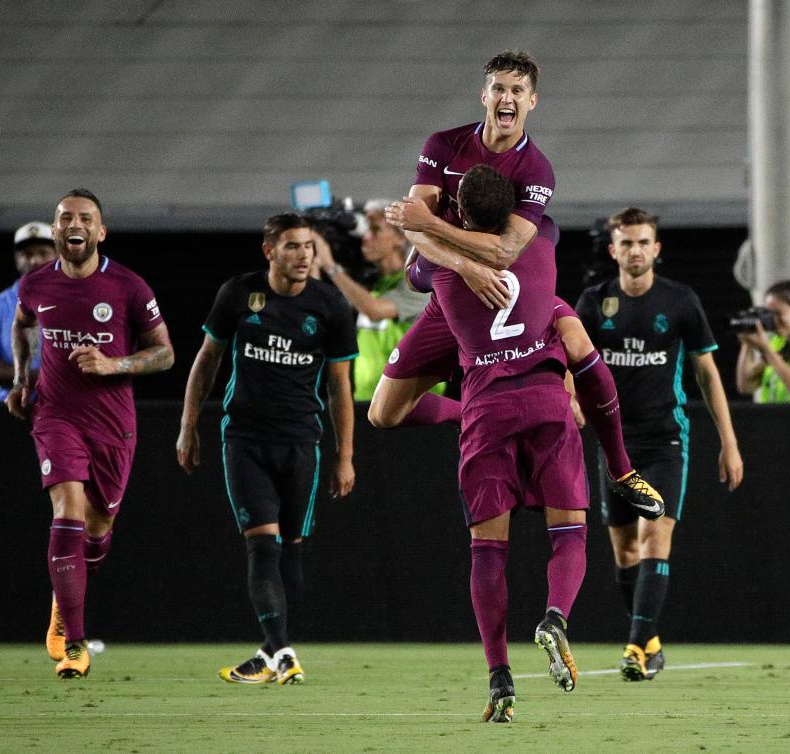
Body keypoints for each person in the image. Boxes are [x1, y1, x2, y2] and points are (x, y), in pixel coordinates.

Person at [377, 49, 661, 511]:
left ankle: (622, 469)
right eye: (500, 89)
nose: (507, 98)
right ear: (484, 95)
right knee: (384, 413)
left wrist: (431, 231)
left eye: (517, 91)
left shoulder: (535, 169)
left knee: (579, 344)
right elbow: (414, 226)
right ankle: (473, 415)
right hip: (457, 294)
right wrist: (465, 266)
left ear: (532, 102)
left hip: (512, 292)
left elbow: (504, 250)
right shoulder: (444, 145)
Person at [406, 164, 590, 720]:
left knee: (488, 551)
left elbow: (416, 268)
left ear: (459, 210)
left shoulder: (435, 272)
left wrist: (428, 227)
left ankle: (499, 675)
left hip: (486, 408)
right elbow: (535, 230)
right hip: (544, 401)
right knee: (570, 534)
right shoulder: (544, 239)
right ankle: (555, 617)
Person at [177, 213, 357, 687]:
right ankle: (284, 652)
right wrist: (188, 426)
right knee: (262, 547)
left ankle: (270, 652)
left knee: (291, 551)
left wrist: (345, 457)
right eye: (293, 247)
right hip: (245, 440)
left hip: (302, 444)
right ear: (270, 251)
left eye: (309, 248)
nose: (303, 256)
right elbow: (207, 359)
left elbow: (341, 386)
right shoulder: (239, 293)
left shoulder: (331, 305)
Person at [6, 189, 174, 679]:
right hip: (55, 414)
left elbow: (164, 352)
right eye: (64, 218)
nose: (73, 224)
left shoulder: (128, 286)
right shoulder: (36, 284)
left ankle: (65, 603)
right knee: (67, 509)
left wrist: (114, 363)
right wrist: (22, 378)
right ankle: (75, 643)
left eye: (85, 218)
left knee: (97, 532)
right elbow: (21, 326)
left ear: (100, 232)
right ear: (56, 230)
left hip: (113, 424)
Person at [575, 207, 744, 682]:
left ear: (657, 249)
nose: (635, 250)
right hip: (614, 445)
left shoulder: (681, 301)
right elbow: (569, 363)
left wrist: (729, 443)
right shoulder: (593, 302)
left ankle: (634, 646)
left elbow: (707, 374)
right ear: (613, 250)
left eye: (643, 242)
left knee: (655, 536)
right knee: (625, 552)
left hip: (665, 440)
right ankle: (650, 641)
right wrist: (570, 401)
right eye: (626, 243)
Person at [310, 199, 440, 400]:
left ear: (400, 238)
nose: (366, 238)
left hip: (412, 403)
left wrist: (331, 267)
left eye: (375, 230)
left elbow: (375, 310)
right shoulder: (375, 284)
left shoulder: (420, 282)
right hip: (368, 401)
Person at [0, 222, 56, 401]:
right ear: (17, 260)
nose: (35, 261)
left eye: (43, 253)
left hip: (67, 414)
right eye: (27, 254)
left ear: (58, 257)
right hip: (10, 413)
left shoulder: (77, 304)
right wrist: (39, 378)